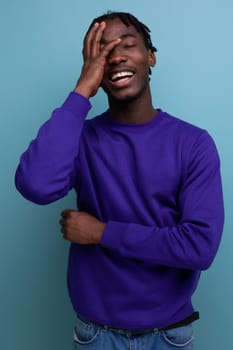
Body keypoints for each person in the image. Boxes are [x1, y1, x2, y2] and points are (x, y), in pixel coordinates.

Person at [15, 11, 224, 350]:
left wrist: (100, 232)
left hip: (170, 335)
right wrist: (83, 89)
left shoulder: (193, 143)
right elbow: (35, 185)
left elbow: (199, 247)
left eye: (128, 45)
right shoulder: (81, 139)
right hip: (95, 334)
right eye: (103, 52)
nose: (117, 57)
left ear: (150, 56)